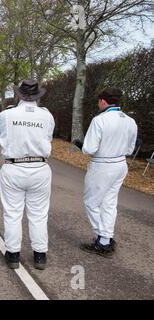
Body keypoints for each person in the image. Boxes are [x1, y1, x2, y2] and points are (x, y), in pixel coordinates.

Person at [0, 80, 55, 271]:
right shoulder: (47, 116)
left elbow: (3, 137)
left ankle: (13, 254)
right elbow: (48, 138)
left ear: (20, 95)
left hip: (14, 166)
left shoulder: (6, 115)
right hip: (39, 167)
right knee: (38, 214)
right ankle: (40, 256)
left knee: (12, 213)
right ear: (37, 96)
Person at [74, 88, 137, 258]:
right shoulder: (130, 121)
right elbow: (131, 148)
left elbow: (89, 149)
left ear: (103, 101)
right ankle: (106, 237)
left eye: (98, 101)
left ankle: (103, 240)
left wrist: (81, 145)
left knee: (91, 203)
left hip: (102, 165)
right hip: (120, 164)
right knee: (109, 203)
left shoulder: (99, 120)